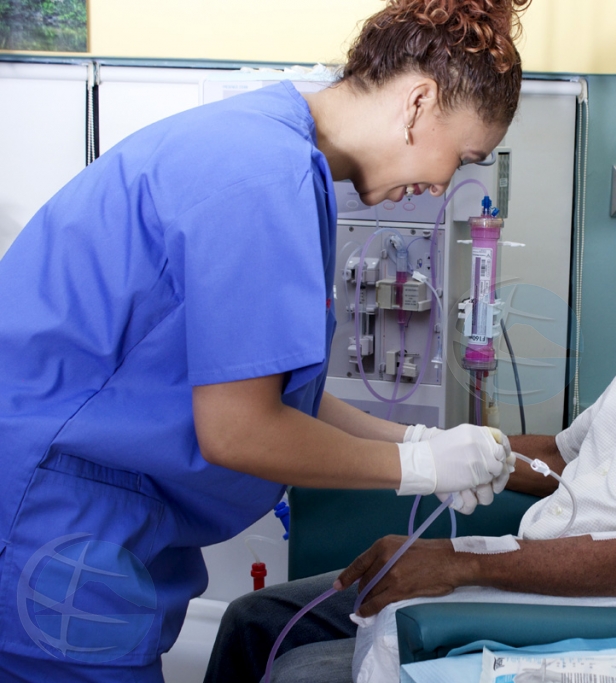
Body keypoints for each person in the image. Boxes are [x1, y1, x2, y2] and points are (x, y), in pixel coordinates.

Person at [0, 1, 532, 681]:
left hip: (83, 518)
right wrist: (422, 469)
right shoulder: (264, 175)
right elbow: (241, 430)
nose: (443, 184)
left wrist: (418, 439)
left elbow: (272, 391)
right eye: (462, 157)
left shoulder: (272, 151)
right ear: (419, 102)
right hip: (47, 521)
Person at [206, 144, 616, 682]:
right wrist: (431, 450)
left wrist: (459, 562)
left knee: (301, 670)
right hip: (526, 568)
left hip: (582, 615)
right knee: (254, 619)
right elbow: (564, 456)